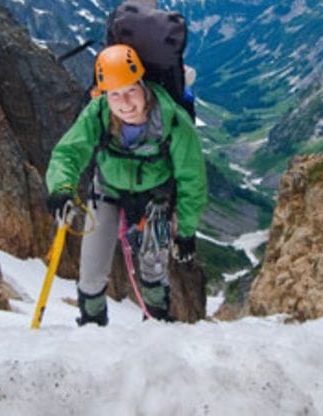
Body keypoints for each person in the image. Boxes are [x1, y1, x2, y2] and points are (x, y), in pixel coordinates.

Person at [44, 44, 207, 326]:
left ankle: (155, 325)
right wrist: (61, 188)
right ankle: (92, 328)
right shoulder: (98, 113)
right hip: (106, 191)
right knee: (91, 273)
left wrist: (187, 231)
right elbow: (68, 153)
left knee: (153, 269)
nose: (125, 103)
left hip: (155, 199)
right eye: (115, 94)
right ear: (105, 95)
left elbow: (191, 178)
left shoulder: (173, 121)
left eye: (131, 90)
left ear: (143, 86)